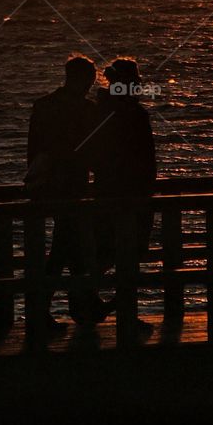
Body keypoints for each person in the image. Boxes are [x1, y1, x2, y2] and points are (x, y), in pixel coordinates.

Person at [26, 55, 101, 326]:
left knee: (69, 245)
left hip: (49, 187)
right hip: (72, 189)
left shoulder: (44, 106)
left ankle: (79, 305)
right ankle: (71, 306)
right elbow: (91, 153)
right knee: (67, 249)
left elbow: (33, 150)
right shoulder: (86, 110)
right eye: (90, 79)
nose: (91, 85)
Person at [92, 57, 157, 275]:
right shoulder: (135, 114)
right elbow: (146, 157)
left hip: (106, 188)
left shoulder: (99, 110)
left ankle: (88, 299)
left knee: (105, 252)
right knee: (129, 252)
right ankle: (115, 301)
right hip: (133, 191)